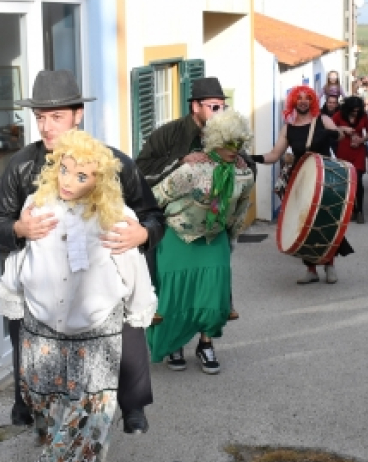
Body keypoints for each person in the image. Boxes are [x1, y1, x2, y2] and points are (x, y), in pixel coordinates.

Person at [0, 69, 164, 435]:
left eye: (56, 117)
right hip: (40, 285)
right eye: (40, 118)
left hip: (99, 282)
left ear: (78, 114)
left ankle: (130, 408)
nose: (46, 127)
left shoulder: (112, 163)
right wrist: (18, 229)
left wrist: (142, 234)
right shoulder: (20, 166)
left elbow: (153, 215)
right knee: (34, 355)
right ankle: (32, 408)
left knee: (121, 342)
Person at [0, 130, 157, 462]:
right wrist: (12, 294)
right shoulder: (36, 206)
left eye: (81, 176)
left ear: (98, 180)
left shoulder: (117, 217)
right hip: (43, 325)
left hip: (96, 328)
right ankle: (60, 449)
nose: (69, 181)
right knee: (47, 398)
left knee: (93, 404)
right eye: (64, 171)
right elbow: (18, 257)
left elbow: (133, 269)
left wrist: (138, 307)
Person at [146, 110, 255, 374]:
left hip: (213, 237)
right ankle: (174, 343)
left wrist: (231, 240)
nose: (234, 150)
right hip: (177, 235)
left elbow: (240, 212)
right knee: (174, 295)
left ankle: (205, 344)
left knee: (213, 294)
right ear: (215, 140)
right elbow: (156, 197)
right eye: (228, 143)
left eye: (238, 144)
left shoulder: (244, 175)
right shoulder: (192, 169)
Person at [136, 77, 248, 321]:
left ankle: (222, 309)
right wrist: (179, 161)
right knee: (163, 266)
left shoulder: (227, 131)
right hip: (171, 213)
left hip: (213, 213)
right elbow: (141, 169)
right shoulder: (168, 134)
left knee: (214, 268)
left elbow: (245, 169)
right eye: (213, 106)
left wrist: (241, 160)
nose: (219, 112)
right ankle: (154, 305)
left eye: (222, 106)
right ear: (195, 106)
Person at [250, 85, 351, 285]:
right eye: (299, 98)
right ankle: (311, 269)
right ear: (293, 102)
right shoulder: (288, 128)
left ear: (312, 101)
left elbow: (339, 135)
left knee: (325, 219)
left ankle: (329, 265)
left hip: (324, 178)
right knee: (303, 222)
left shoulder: (322, 119)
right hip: (300, 179)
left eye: (307, 98)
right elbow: (274, 155)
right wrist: (251, 158)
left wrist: (334, 133)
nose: (303, 101)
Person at [333, 96, 368, 223]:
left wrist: (362, 140)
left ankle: (359, 210)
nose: (356, 112)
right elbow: (330, 129)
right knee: (345, 181)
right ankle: (349, 211)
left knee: (358, 181)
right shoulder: (339, 115)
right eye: (353, 110)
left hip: (358, 151)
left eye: (358, 110)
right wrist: (343, 129)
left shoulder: (363, 116)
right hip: (343, 151)